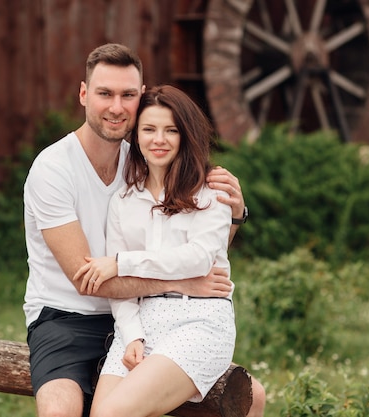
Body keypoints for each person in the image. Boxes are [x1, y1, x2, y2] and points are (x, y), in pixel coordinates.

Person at [23, 43, 265, 417]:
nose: (117, 107)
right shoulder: (54, 169)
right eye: (105, 93)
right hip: (67, 318)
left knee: (252, 395)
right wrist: (180, 284)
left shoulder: (139, 162)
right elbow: (89, 280)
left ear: (140, 98)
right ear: (84, 94)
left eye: (128, 95)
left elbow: (203, 256)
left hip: (146, 316)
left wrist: (234, 216)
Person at [73, 84, 236, 417]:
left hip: (199, 321)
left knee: (111, 414)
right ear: (136, 136)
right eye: (149, 129)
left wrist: (120, 263)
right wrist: (132, 336)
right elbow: (121, 292)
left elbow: (197, 260)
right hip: (140, 325)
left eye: (170, 130)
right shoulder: (123, 202)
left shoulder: (210, 192)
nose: (158, 139)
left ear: (185, 135)